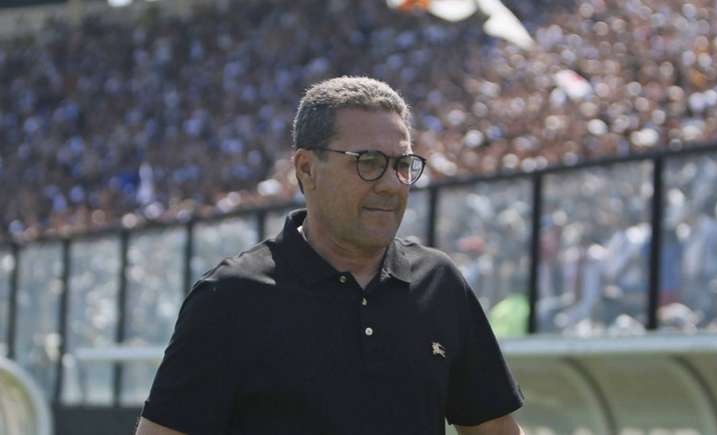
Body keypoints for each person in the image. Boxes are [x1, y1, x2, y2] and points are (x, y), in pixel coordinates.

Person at [135, 76, 525, 435]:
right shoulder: (231, 296)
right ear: (307, 168)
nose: (392, 184)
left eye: (403, 165)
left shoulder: (439, 282)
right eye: (368, 163)